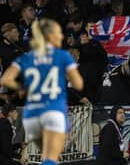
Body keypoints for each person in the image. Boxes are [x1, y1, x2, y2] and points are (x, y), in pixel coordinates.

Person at [0, 19, 84, 165]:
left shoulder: (21, 47)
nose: (18, 33)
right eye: (15, 31)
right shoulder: (4, 50)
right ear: (7, 33)